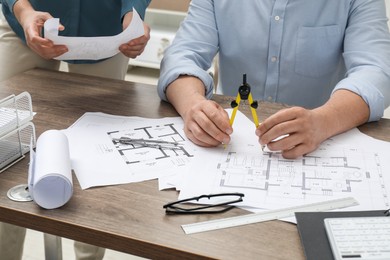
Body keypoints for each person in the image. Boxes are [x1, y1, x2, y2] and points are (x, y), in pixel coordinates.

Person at [0, 0, 151, 259]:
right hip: (28, 21)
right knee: (8, 148)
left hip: (106, 29)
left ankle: (89, 255)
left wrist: (132, 12)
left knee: (101, 151)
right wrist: (22, 11)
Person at [158, 0, 390, 160]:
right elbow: (182, 55)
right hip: (231, 145)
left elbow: (376, 71)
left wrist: (324, 121)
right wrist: (193, 107)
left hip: (320, 145)